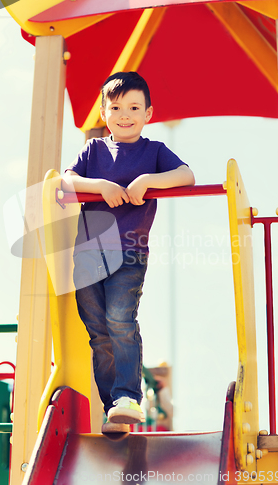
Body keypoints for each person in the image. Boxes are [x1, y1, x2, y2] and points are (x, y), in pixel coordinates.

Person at [61, 71, 195, 433]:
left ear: (148, 114)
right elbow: (66, 181)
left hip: (128, 251)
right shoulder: (94, 151)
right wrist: (101, 185)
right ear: (104, 113)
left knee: (119, 320)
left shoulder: (153, 152)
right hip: (88, 253)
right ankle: (114, 409)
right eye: (116, 107)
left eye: (134, 107)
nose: (125, 114)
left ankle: (127, 397)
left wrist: (149, 180)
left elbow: (186, 176)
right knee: (98, 331)